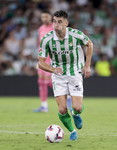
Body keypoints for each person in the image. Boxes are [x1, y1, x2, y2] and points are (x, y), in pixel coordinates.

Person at [38, 10, 93, 141]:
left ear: (66, 23)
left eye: (60, 22)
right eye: (54, 21)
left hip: (75, 73)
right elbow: (40, 62)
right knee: (62, 109)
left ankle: (75, 114)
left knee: (77, 107)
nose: (56, 24)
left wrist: (87, 65)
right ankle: (72, 131)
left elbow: (89, 44)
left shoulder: (76, 35)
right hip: (59, 75)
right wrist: (52, 69)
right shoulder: (47, 39)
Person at [33, 11, 71, 112]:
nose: (44, 18)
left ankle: (68, 96)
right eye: (42, 17)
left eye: (46, 16)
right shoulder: (40, 29)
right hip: (43, 59)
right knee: (41, 82)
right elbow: (40, 45)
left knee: (52, 81)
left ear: (51, 17)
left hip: (53, 59)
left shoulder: (55, 28)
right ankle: (44, 106)